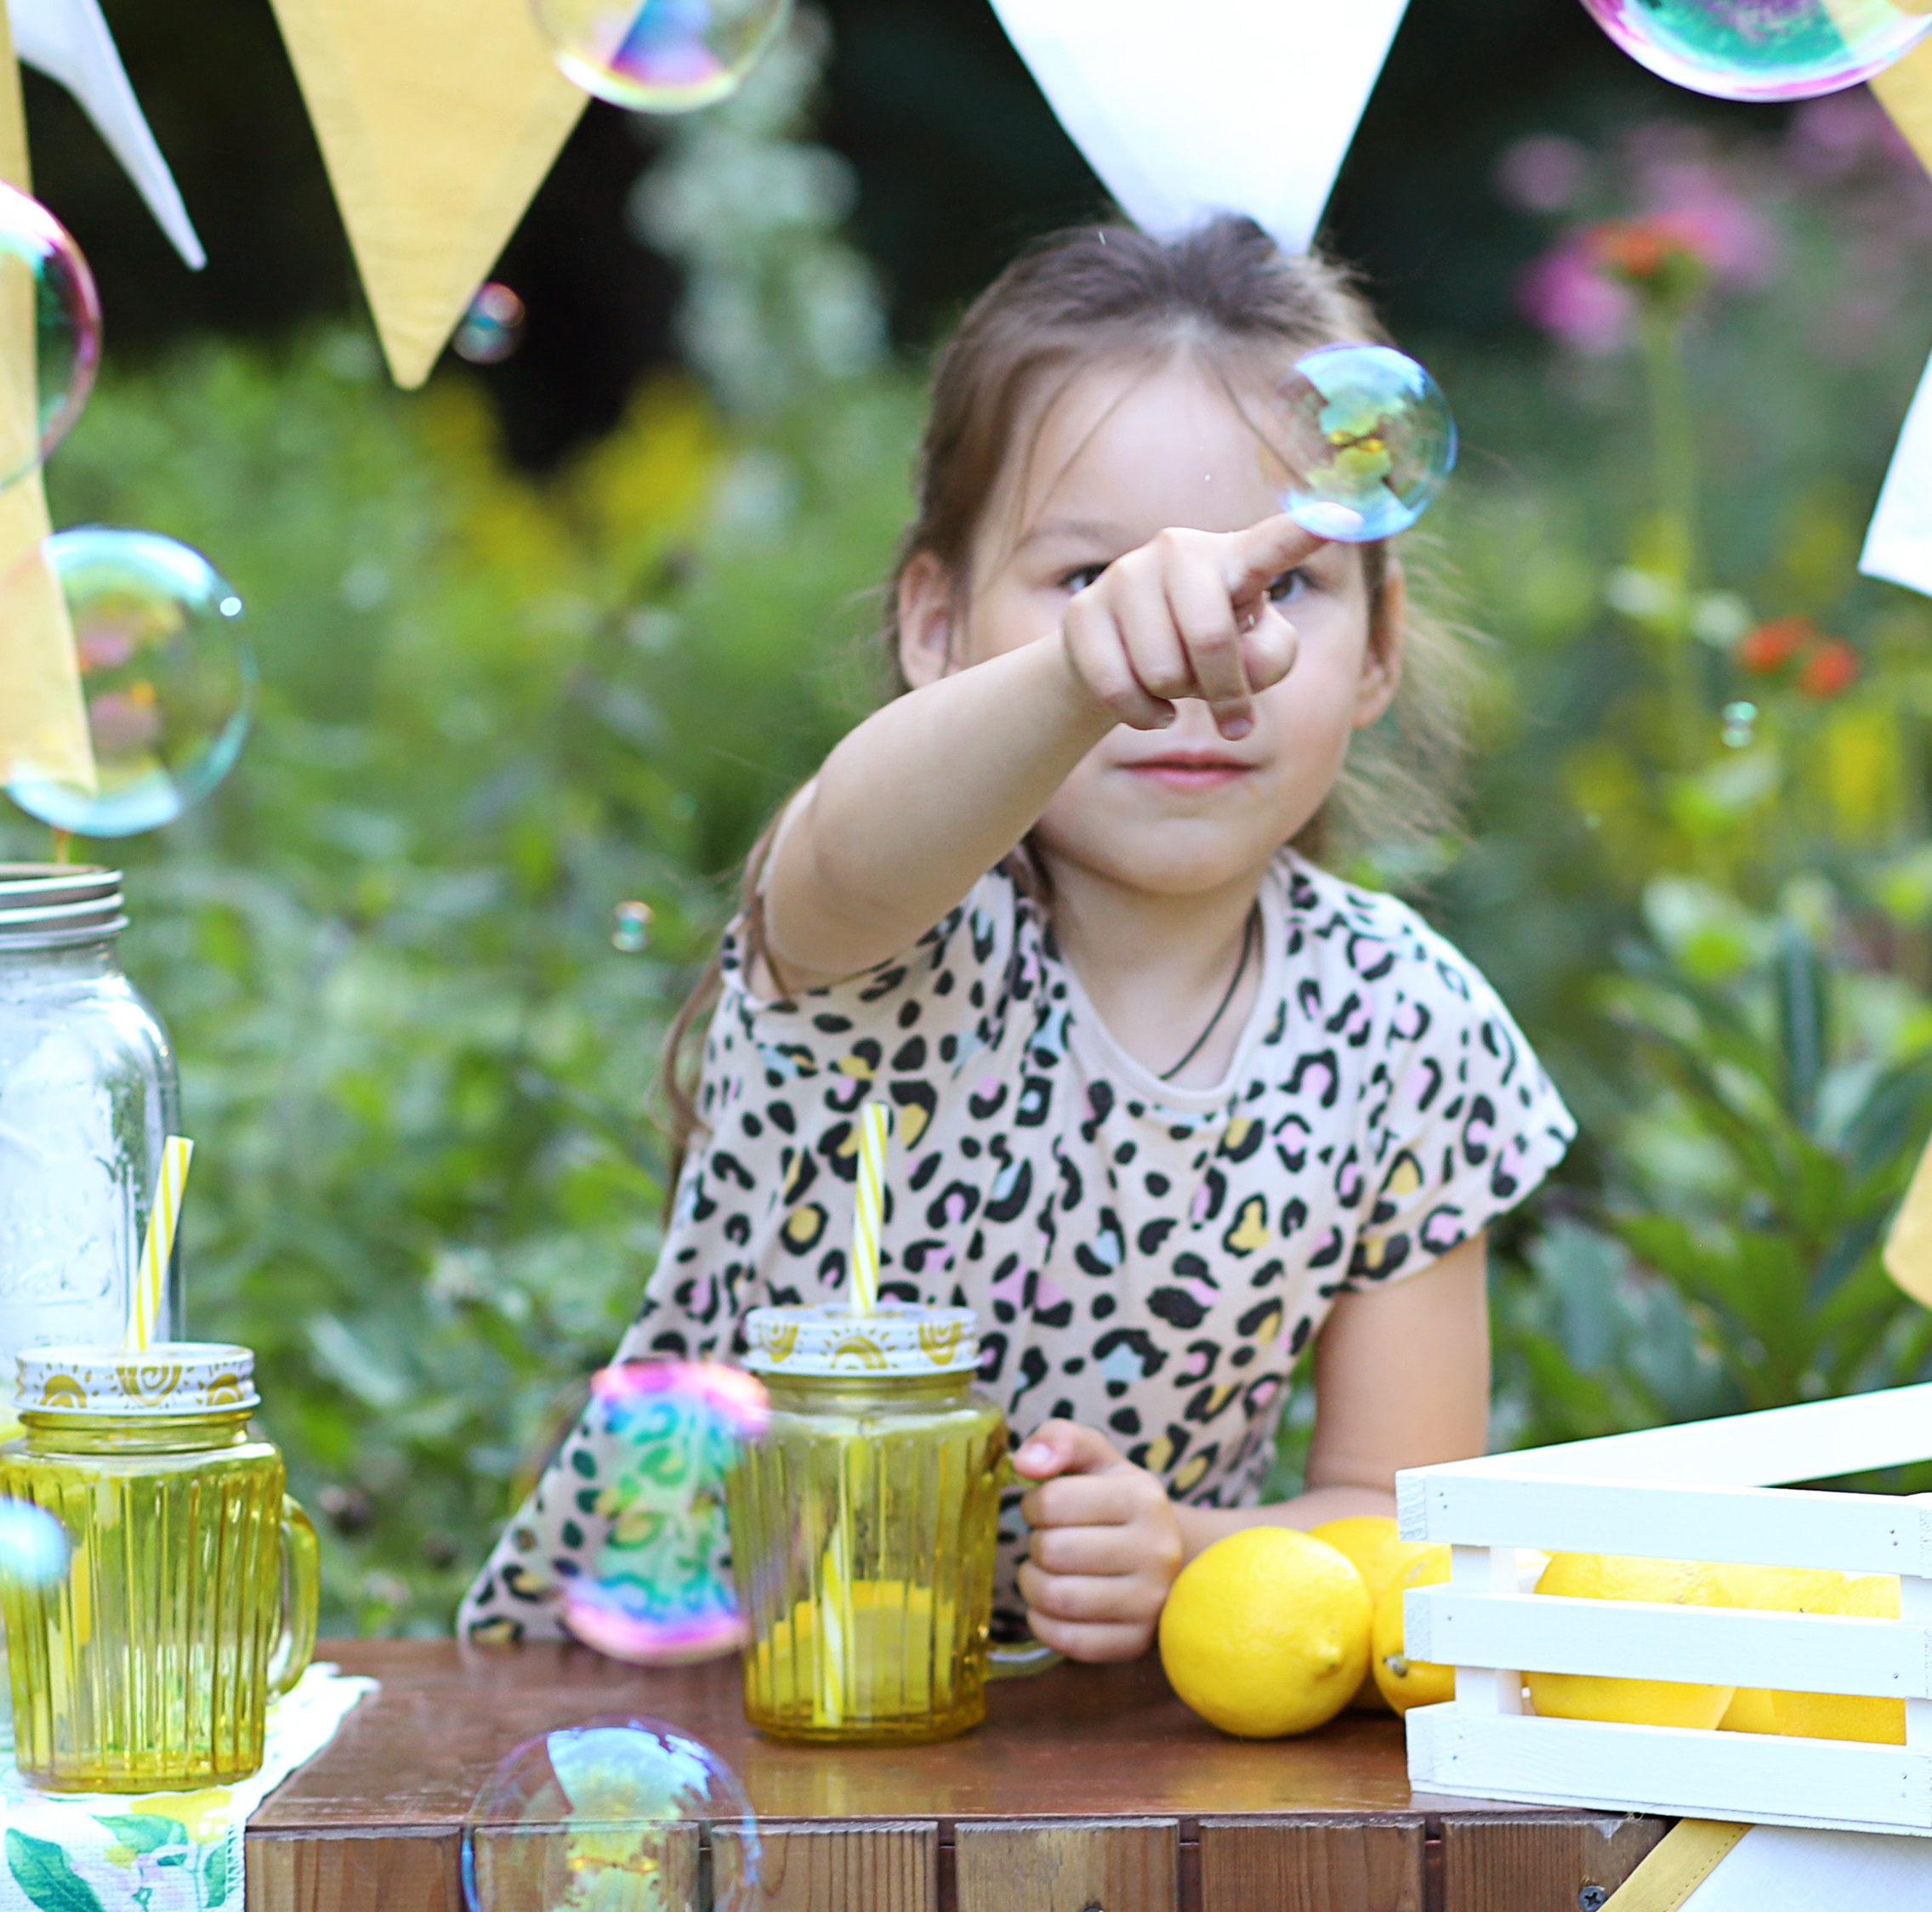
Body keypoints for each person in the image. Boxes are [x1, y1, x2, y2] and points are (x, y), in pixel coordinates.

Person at [460, 216, 1571, 1659]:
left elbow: (1403, 1518)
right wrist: (1079, 677)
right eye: (1094, 579)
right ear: (936, 628)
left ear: (1375, 648)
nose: (1194, 647)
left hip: (1074, 1773)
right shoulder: (892, 917)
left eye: (1280, 583)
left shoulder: (1410, 1030)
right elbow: (849, 845)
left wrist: (1190, 1551)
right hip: (665, 1713)